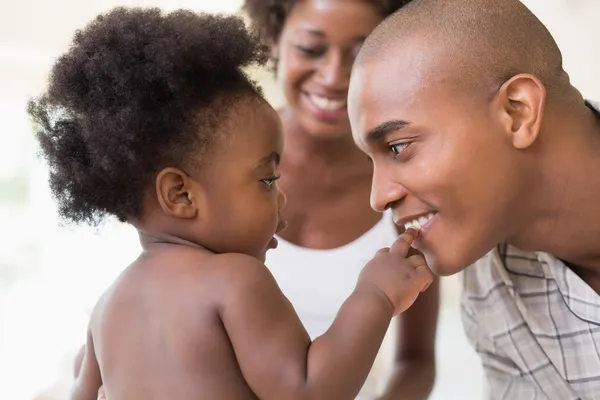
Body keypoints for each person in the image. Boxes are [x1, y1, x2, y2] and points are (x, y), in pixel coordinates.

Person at [30, 7, 434, 400]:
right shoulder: (235, 281)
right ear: (181, 195)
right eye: (267, 180)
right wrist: (375, 295)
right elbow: (310, 390)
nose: (282, 197)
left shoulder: (107, 306)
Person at [348, 0, 600, 398]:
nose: (378, 198)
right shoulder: (490, 290)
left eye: (397, 148)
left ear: (517, 112)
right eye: (370, 161)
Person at [242, 1, 440, 398]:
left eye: (361, 54)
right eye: (311, 49)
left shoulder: (407, 186)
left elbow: (415, 360)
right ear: (274, 40)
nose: (334, 77)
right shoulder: (220, 163)